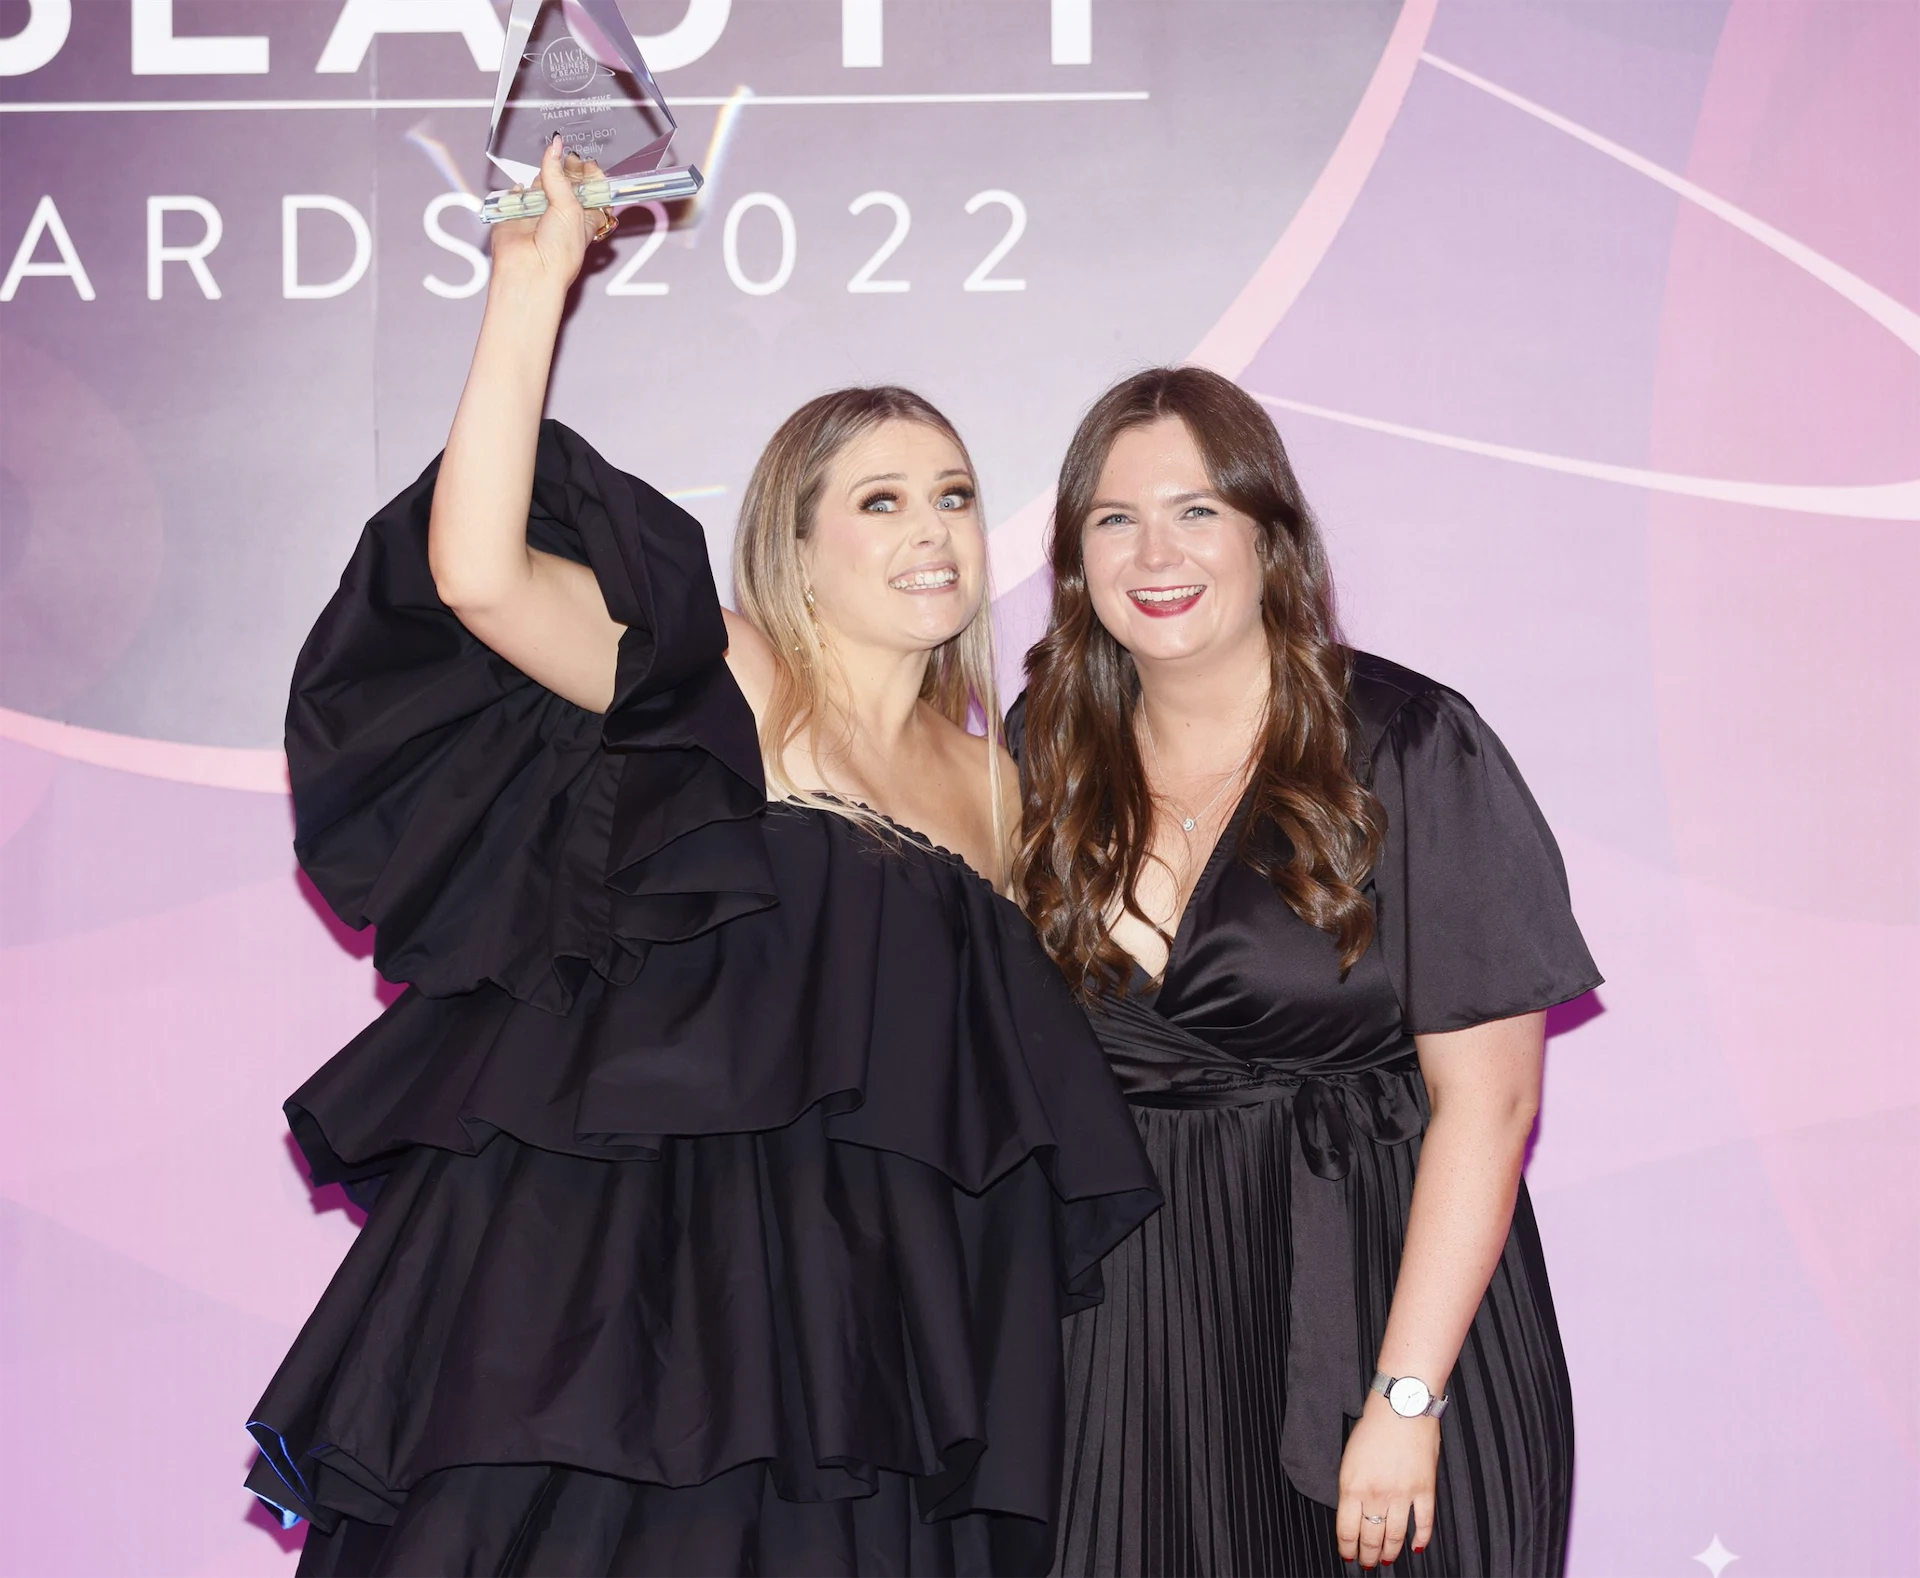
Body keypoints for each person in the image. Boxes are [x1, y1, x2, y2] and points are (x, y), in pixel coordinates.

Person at [246, 141, 1159, 1577]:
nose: (931, 532)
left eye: (953, 494)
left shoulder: (1001, 788)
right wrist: (532, 282)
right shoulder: (728, 676)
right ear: (796, 543)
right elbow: (477, 575)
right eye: (880, 501)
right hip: (635, 1290)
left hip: (856, 1334)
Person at [1009, 367, 1601, 1578]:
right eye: (1116, 519)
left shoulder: (1409, 744)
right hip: (1135, 1340)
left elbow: (1491, 1106)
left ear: (1268, 534)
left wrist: (1405, 1397)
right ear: (1075, 558)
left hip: (1383, 1304)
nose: (1155, 554)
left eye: (1197, 510)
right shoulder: (1039, 754)